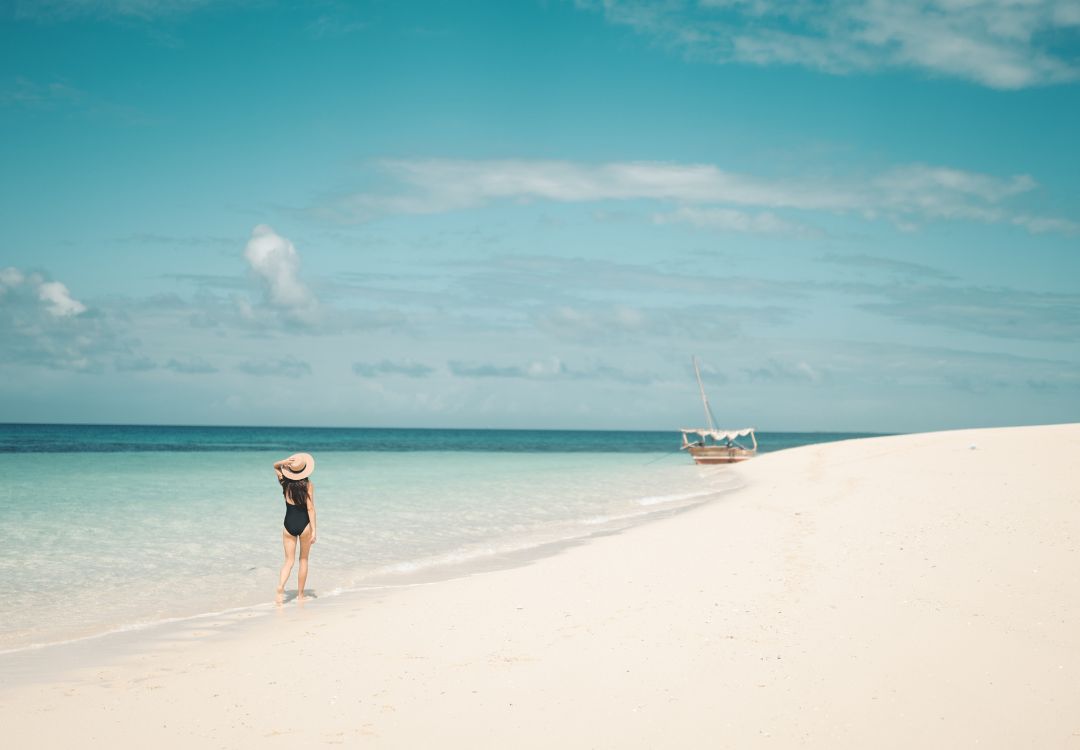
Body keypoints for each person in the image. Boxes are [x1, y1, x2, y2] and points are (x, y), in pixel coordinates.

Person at [273, 452, 317, 600]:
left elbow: (275, 466)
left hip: (288, 524)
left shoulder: (285, 483)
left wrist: (284, 462)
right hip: (304, 525)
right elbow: (310, 508)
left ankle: (280, 586)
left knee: (288, 561)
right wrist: (314, 530)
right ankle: (300, 595)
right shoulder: (308, 485)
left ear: (291, 470)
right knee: (303, 560)